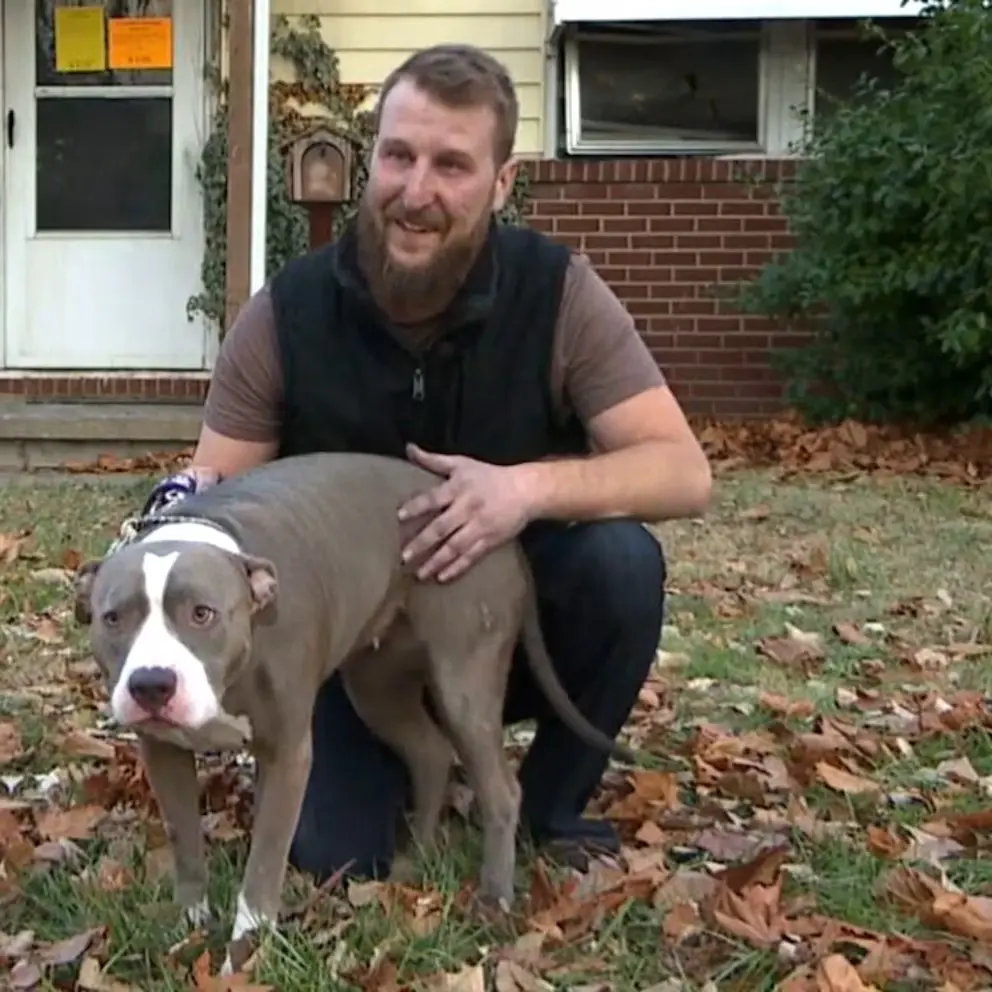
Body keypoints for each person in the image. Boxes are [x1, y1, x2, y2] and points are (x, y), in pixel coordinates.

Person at [136, 43, 712, 880]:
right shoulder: (286, 314)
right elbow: (213, 501)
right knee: (337, 854)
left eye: (452, 165)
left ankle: (549, 806)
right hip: (341, 641)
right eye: (398, 156)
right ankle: (409, 769)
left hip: (500, 624)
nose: (416, 191)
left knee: (621, 564)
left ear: (501, 183)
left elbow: (682, 472)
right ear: (371, 158)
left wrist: (525, 489)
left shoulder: (558, 294)